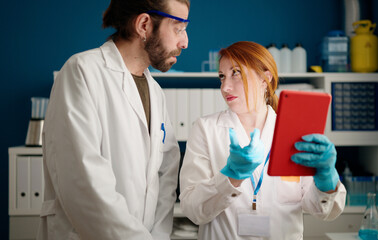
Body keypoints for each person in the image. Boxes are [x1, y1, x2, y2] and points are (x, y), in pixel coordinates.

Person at [37, 0, 190, 239]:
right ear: (144, 25)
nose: (185, 42)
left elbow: (166, 176)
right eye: (178, 28)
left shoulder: (155, 92)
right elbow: (84, 184)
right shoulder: (82, 72)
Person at [179, 41, 347, 239]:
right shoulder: (206, 129)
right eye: (222, 76)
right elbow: (192, 209)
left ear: (264, 78)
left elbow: (324, 211)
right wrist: (231, 177)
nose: (225, 86)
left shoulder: (294, 131)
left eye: (236, 73)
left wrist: (326, 178)